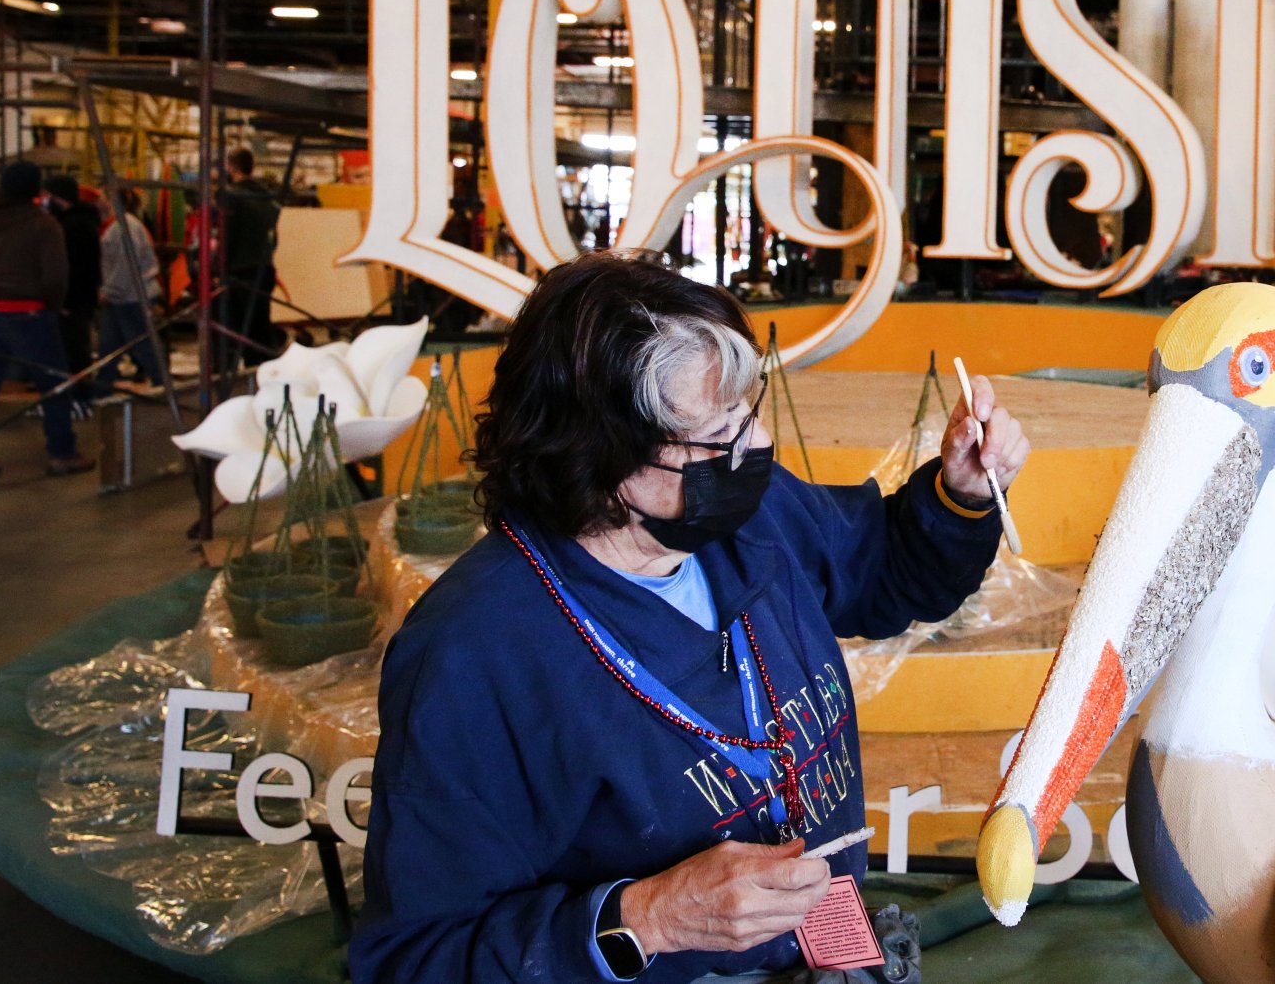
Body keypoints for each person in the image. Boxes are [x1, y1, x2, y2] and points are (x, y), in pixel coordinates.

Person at [352, 251, 1029, 984]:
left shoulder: (746, 518)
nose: (758, 446)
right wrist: (646, 918)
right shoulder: (476, 659)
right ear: (600, 460)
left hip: (825, 945)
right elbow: (416, 962)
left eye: (749, 412)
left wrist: (958, 495)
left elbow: (883, 570)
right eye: (718, 436)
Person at [0, 161, 93, 478]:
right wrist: (53, 305)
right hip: (30, 313)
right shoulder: (44, 224)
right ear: (38, 189)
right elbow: (56, 275)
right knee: (54, 385)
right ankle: (61, 453)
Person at [43, 175, 103, 413]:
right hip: (79, 298)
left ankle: (79, 398)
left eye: (49, 196)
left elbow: (74, 269)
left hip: (74, 300)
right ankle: (77, 397)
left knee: (74, 351)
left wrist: (65, 300)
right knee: (74, 349)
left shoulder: (73, 227)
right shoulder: (78, 223)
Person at [98, 186, 167, 391]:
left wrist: (109, 290)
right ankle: (102, 385)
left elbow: (126, 264)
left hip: (131, 295)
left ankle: (161, 382)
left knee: (141, 342)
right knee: (111, 343)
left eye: (101, 197)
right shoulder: (122, 225)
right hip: (126, 295)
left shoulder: (123, 227)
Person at [217, 148, 281, 370]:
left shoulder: (233, 196)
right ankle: (267, 372)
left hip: (240, 273)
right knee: (259, 326)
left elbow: (228, 237)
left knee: (235, 329)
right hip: (264, 270)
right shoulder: (267, 198)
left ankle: (238, 376)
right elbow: (275, 239)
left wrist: (219, 268)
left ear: (231, 167)